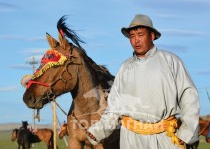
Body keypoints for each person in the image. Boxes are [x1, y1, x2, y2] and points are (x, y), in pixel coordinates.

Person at [85, 14, 200, 148]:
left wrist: (187, 131)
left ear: (152, 36)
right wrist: (98, 131)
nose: (136, 40)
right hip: (131, 139)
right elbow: (114, 108)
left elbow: (189, 96)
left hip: (164, 137)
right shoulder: (125, 68)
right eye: (132, 36)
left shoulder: (170, 61)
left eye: (140, 35)